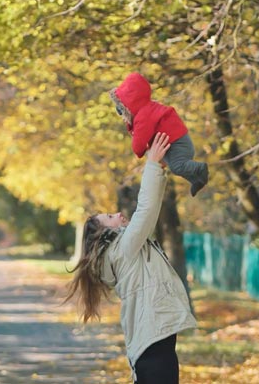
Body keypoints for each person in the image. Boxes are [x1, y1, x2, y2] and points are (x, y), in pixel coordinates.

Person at [65, 132, 196, 384]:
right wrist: (152, 164)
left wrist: (159, 169)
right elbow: (145, 211)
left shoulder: (121, 249)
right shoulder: (122, 249)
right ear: (104, 233)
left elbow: (151, 211)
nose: (117, 214)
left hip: (153, 339)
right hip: (153, 342)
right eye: (109, 217)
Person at [110, 72, 209, 196]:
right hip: (176, 143)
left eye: (120, 110)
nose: (120, 114)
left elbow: (138, 146)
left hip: (177, 144)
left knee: (176, 167)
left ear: (130, 105)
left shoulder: (143, 116)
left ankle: (200, 168)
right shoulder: (148, 109)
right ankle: (197, 180)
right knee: (171, 164)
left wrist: (137, 143)